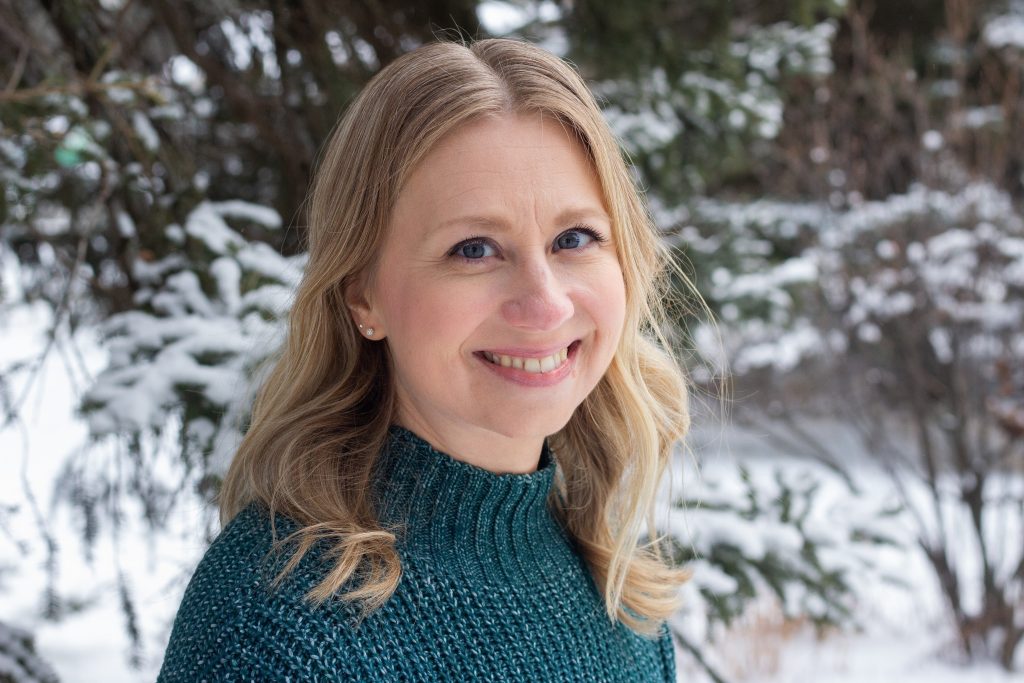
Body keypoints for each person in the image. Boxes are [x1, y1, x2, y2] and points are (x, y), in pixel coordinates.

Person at [157, 37, 694, 682]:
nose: (545, 305)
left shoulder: (617, 591)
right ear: (363, 294)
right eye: (473, 249)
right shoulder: (277, 627)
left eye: (573, 238)